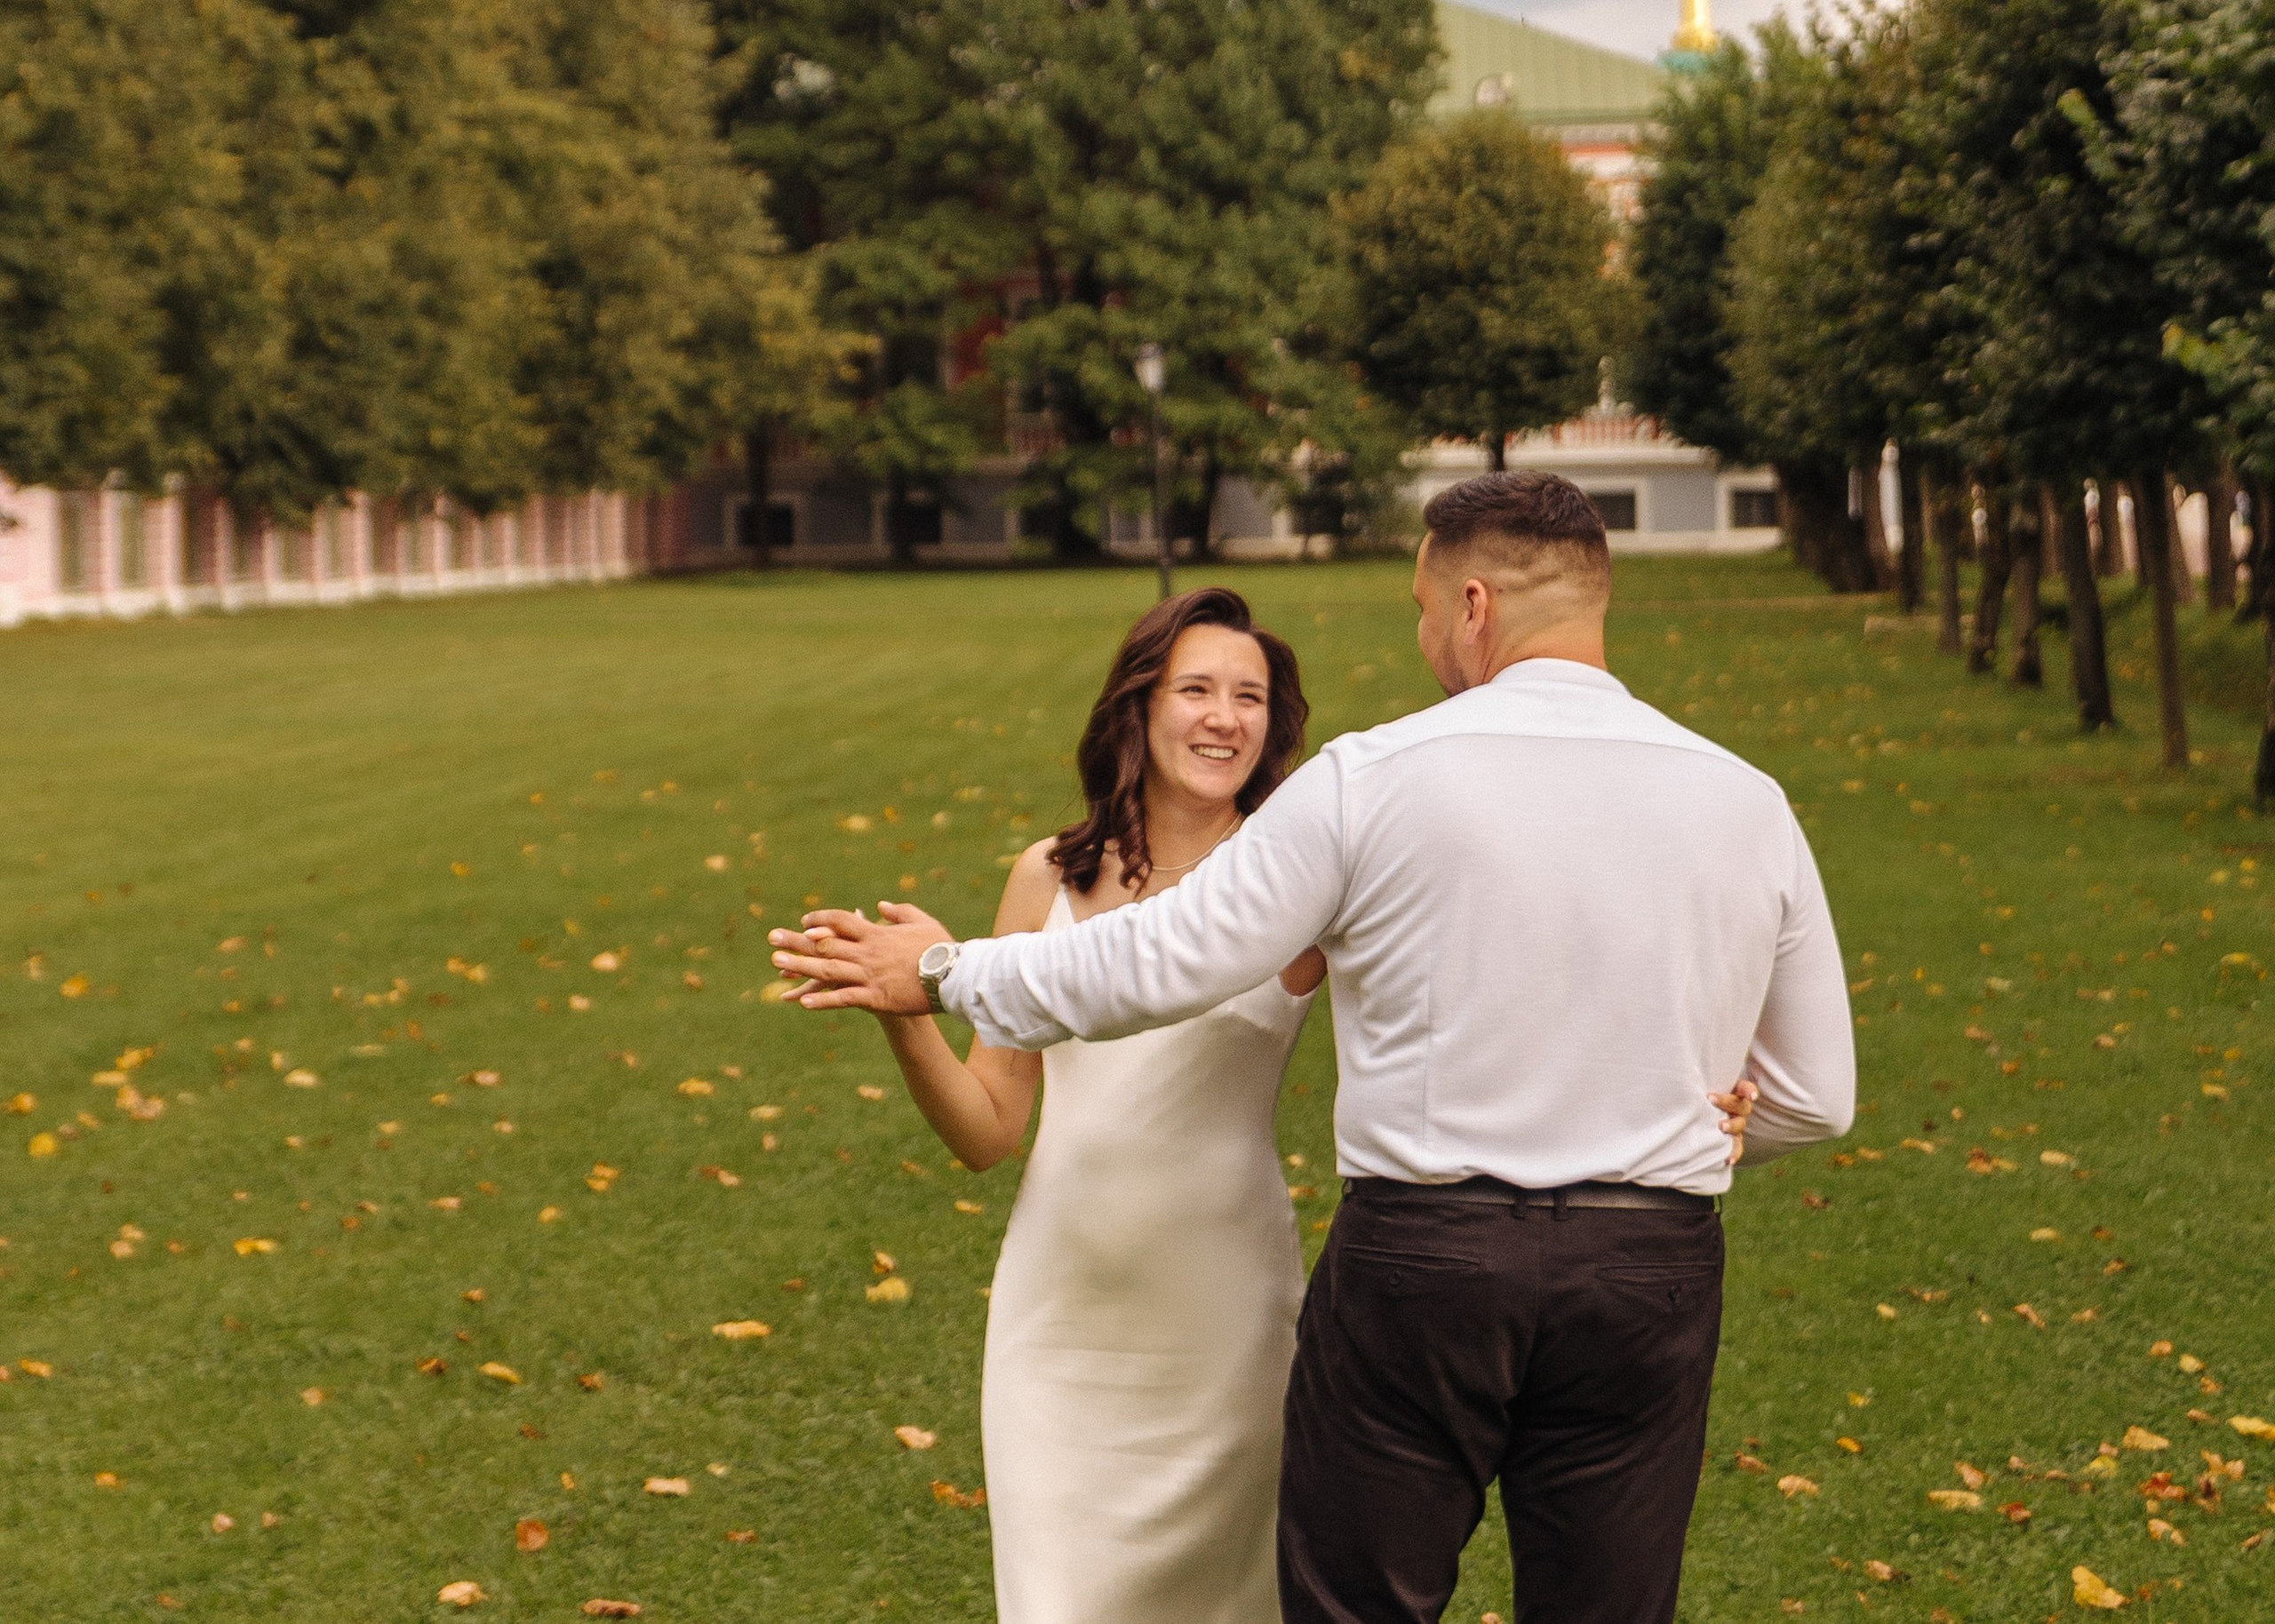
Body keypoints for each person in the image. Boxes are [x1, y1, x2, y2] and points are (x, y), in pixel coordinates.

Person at [786, 581, 1761, 1624]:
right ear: (1138, 707)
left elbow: (1489, 985)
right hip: (1062, 1306)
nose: (1223, 717)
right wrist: (903, 1012)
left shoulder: (1303, 881)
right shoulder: (1047, 876)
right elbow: (987, 1131)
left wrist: (1682, 1091)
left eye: (1248, 696)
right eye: (1195, 688)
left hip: (1227, 1304)